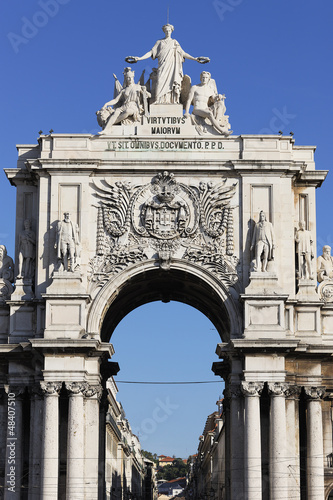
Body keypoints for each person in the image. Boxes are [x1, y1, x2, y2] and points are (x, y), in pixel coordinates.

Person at [126, 24, 209, 104]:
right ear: (163, 31)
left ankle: (172, 101)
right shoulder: (159, 42)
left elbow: (183, 53)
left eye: (169, 30)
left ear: (171, 31)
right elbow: (151, 52)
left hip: (173, 67)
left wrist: (195, 58)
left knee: (172, 83)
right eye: (166, 30)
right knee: (160, 81)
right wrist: (139, 58)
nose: (167, 32)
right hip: (163, 66)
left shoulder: (174, 42)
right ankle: (158, 100)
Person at [98, 68, 150, 134]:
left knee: (127, 112)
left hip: (133, 106)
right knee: (116, 112)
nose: (130, 79)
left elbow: (149, 96)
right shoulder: (124, 90)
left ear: (133, 77)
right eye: (128, 78)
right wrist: (106, 104)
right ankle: (106, 130)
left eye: (131, 77)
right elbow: (115, 100)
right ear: (126, 79)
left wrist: (145, 92)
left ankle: (110, 124)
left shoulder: (138, 87)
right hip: (125, 105)